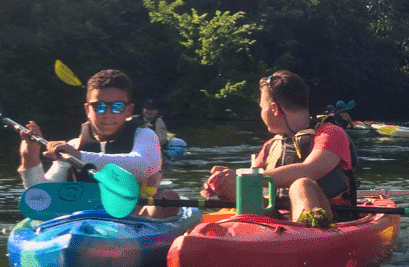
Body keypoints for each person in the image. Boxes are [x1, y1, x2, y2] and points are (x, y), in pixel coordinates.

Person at [202, 70, 354, 226]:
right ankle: (257, 236)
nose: (262, 113)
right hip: (277, 223)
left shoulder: (331, 133)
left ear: (274, 108)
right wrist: (225, 183)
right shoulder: (270, 146)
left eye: (262, 107)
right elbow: (251, 190)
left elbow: (309, 170)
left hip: (329, 220)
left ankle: (305, 237)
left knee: (301, 184)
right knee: (240, 186)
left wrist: (243, 178)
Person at [16, 68, 176, 216]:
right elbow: (41, 197)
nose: (108, 114)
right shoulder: (73, 145)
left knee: (169, 198)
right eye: (99, 107)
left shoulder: (145, 136)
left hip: (132, 217)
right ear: (87, 110)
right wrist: (30, 158)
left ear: (129, 110)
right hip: (83, 220)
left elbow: (143, 166)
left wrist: (79, 156)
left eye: (117, 107)